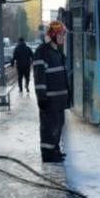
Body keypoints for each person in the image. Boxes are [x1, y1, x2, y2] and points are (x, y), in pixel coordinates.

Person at [33, 21, 71, 163]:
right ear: (54, 35)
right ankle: (47, 154)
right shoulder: (43, 52)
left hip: (59, 100)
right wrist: (41, 98)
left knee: (58, 125)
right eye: (61, 34)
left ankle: (54, 149)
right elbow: (39, 76)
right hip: (49, 100)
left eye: (63, 34)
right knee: (49, 127)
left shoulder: (57, 52)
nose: (63, 37)